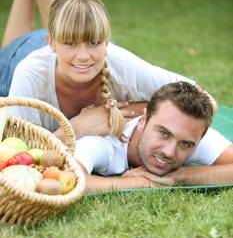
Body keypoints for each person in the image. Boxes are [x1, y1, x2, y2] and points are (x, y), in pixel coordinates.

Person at [1, 0, 217, 143]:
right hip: (21, 56)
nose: (84, 55)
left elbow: (206, 101)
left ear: (107, 43)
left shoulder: (121, 64)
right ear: (51, 43)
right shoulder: (28, 74)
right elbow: (23, 155)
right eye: (70, 43)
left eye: (95, 42)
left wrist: (110, 112)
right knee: (12, 51)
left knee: (71, 28)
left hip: (61, 50)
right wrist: (77, 127)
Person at [73, 82, 233, 193]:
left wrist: (177, 177)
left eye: (185, 144)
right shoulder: (102, 140)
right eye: (164, 134)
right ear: (143, 120)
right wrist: (139, 183)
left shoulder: (191, 132)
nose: (169, 152)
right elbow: (69, 180)